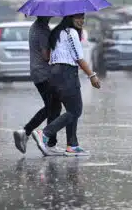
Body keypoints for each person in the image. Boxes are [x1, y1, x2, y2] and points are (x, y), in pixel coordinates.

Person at [32, 13, 101, 157]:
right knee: (75, 110)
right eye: (77, 18)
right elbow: (78, 58)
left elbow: (49, 56)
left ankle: (72, 145)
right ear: (69, 18)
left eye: (83, 18)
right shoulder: (71, 33)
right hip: (66, 74)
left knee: (71, 110)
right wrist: (92, 76)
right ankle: (44, 133)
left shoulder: (57, 32)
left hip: (54, 74)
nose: (81, 21)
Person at [13, 16, 64, 155]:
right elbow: (46, 56)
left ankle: (27, 132)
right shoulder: (41, 30)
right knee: (54, 106)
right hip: (44, 73)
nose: (52, 15)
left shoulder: (37, 27)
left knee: (52, 106)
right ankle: (48, 142)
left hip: (38, 72)